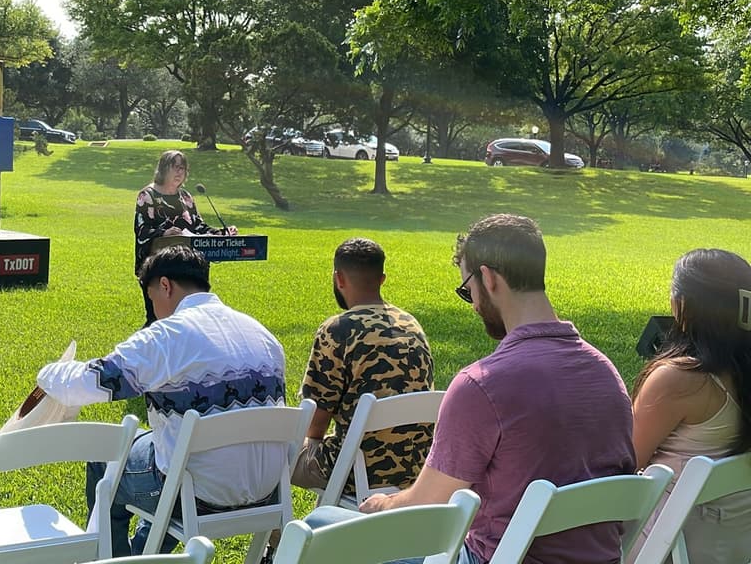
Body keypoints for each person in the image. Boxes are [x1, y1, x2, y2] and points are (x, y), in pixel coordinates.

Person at [305, 213, 635, 564]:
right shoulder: (607, 375)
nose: (474, 304)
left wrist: (382, 504)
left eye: (468, 290)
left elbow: (426, 504)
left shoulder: (483, 385)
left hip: (492, 557)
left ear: (488, 279)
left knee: (318, 527)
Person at [38, 245, 286, 558]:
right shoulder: (264, 336)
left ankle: (113, 559)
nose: (153, 307)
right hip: (266, 491)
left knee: (107, 461)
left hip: (194, 498)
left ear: (165, 286)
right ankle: (146, 554)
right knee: (168, 454)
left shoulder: (167, 336)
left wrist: (48, 373)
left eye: (151, 296)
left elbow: (93, 382)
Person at [629, 248, 751, 564]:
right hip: (732, 548)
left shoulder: (680, 380)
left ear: (682, 305)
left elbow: (622, 465)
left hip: (666, 548)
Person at [292, 237, 434, 497]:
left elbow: (314, 423)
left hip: (354, 471)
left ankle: (279, 536)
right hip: (414, 469)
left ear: (339, 279)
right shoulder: (412, 325)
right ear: (382, 279)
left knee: (270, 457)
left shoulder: (338, 330)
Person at [134, 150, 234, 324]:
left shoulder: (186, 197)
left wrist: (222, 233)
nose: (180, 172)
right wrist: (164, 233)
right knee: (157, 321)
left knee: (190, 319)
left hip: (188, 267)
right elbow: (142, 230)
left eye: (183, 168)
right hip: (158, 266)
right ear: (163, 169)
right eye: (175, 167)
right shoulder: (147, 196)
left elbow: (198, 226)